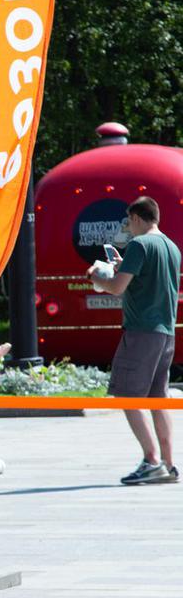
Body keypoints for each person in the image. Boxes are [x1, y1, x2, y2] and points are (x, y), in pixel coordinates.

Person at [87, 195, 181, 484]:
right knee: (158, 398)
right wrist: (122, 264)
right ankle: (168, 462)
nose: (128, 228)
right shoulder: (171, 246)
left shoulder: (139, 245)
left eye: (129, 222)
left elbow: (116, 288)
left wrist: (96, 277)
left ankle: (151, 461)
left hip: (141, 331)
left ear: (138, 218)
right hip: (165, 332)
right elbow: (145, 280)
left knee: (128, 396)